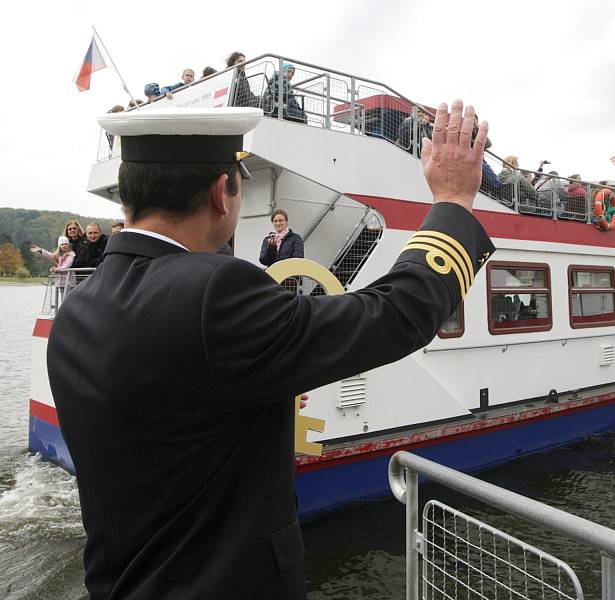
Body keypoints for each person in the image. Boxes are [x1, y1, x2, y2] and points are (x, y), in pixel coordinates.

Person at [47, 101, 493, 599]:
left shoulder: (74, 312)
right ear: (223, 194)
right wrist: (453, 200)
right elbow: (394, 315)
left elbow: (164, 421)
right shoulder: (216, 293)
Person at [31, 236, 75, 309]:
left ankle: (66, 314)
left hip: (69, 282)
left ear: (68, 245)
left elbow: (67, 265)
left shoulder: (71, 254)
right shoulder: (57, 255)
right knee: (63, 299)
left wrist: (57, 269)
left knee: (67, 300)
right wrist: (40, 250)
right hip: (60, 282)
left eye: (66, 244)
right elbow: (49, 255)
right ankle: (63, 314)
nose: (64, 246)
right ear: (59, 246)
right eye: (62, 244)